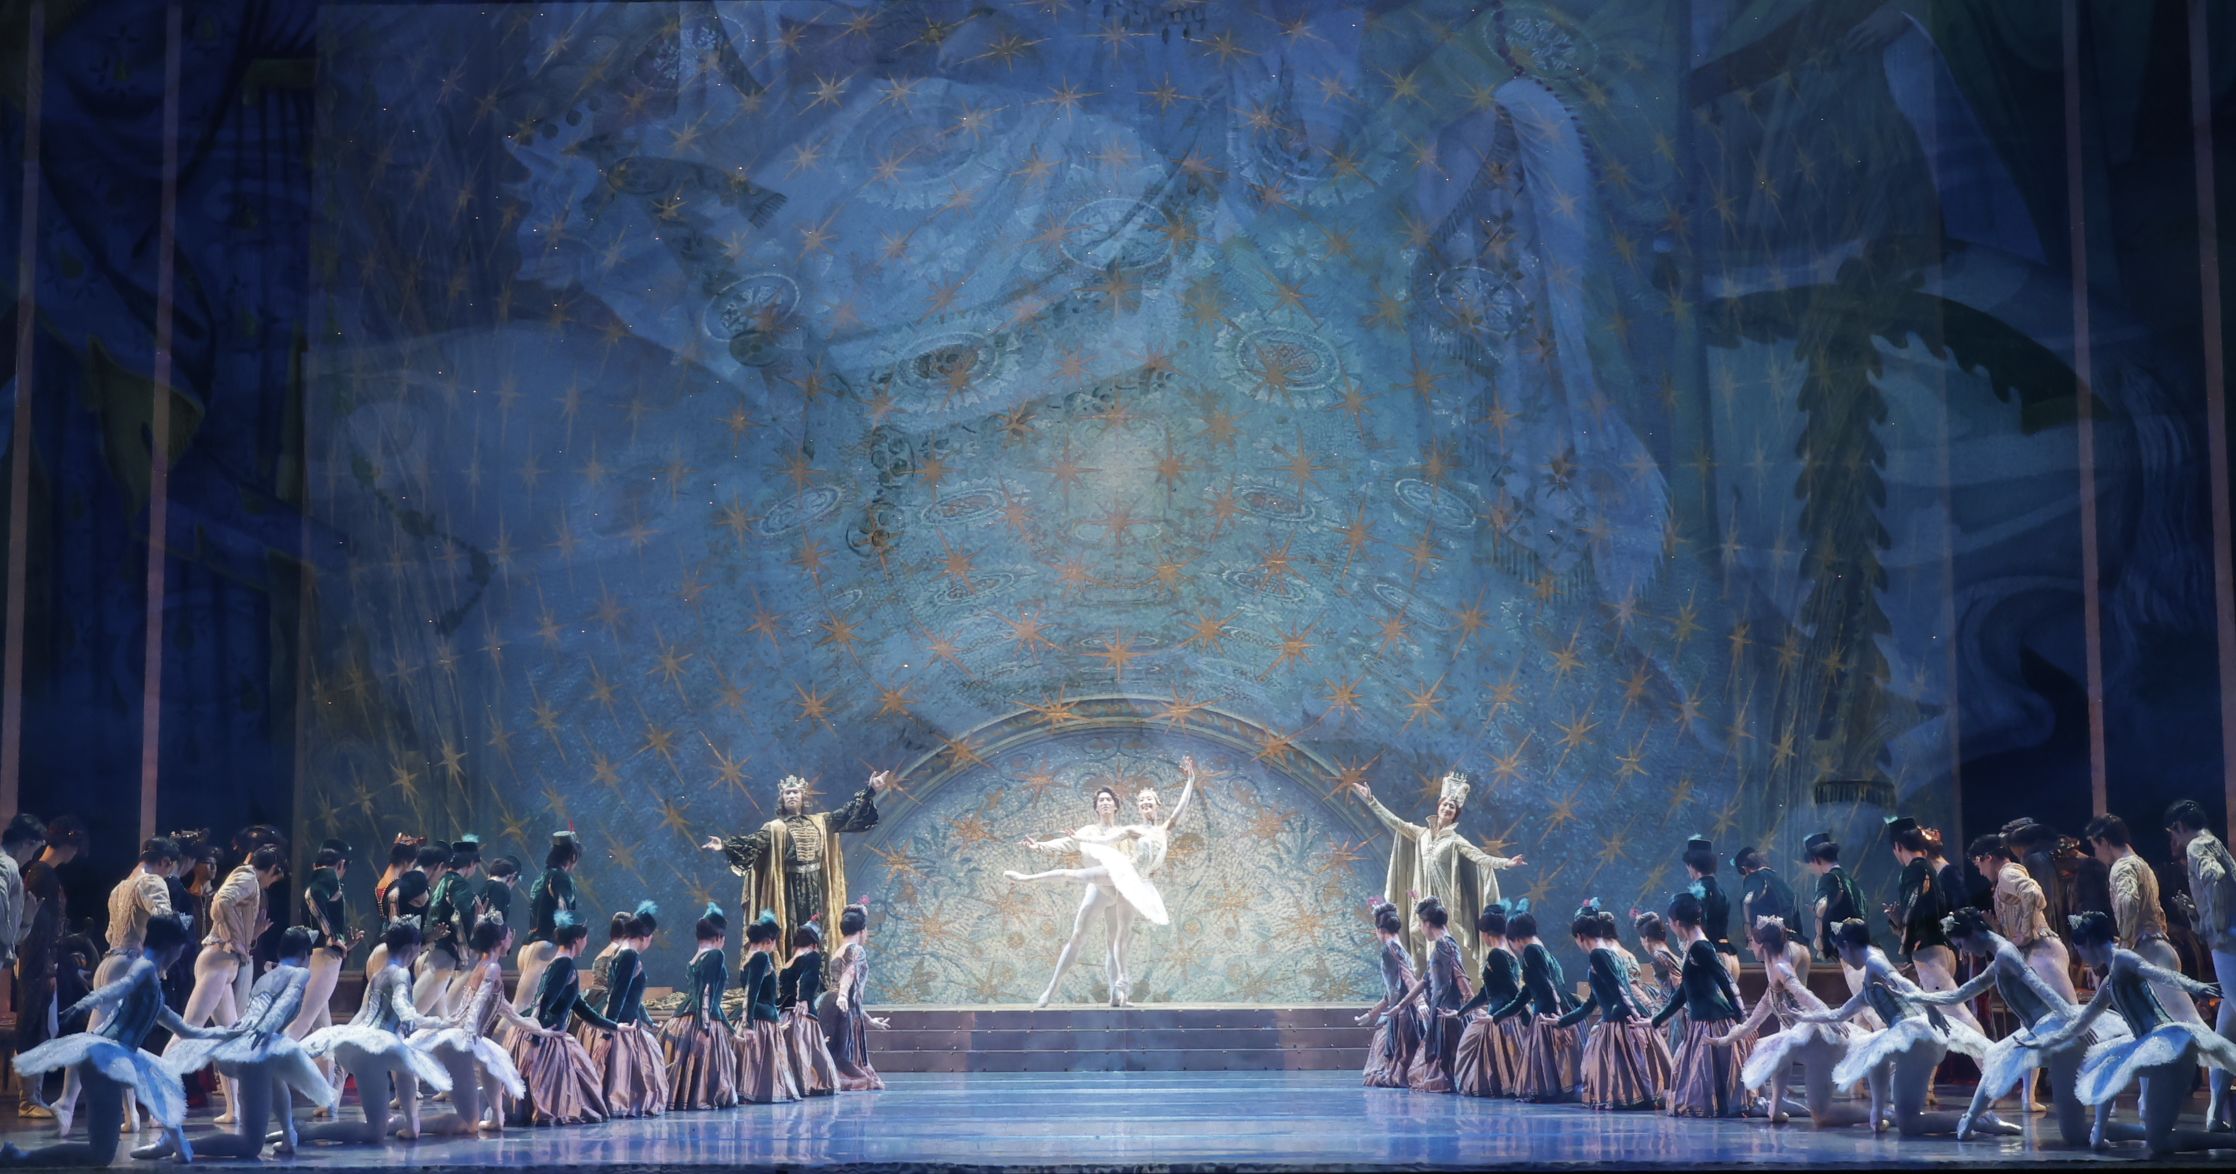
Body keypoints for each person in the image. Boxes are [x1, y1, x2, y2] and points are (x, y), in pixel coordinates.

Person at [3, 914, 220, 1167]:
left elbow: (186, 1029)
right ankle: (20, 1157)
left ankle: (177, 1144)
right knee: (101, 1154)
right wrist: (87, 1003)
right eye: (180, 950)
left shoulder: (151, 983)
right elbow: (123, 986)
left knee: (158, 1081)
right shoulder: (144, 968)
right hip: (104, 1059)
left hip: (112, 1054)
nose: (180, 956)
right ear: (172, 948)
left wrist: (227, 1034)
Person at [2032, 910, 2236, 1156]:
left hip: (2167, 1044)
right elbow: (2080, 1024)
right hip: (2149, 1044)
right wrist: (2043, 1041)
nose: (2081, 957)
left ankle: (2230, 1142)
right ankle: (2099, 1131)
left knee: (2158, 1142)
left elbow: (2159, 973)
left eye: (2080, 950)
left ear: (2089, 943)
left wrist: (2195, 986)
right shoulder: (2108, 984)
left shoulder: (2124, 958)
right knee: (2107, 1063)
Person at [1909, 907, 2110, 1145]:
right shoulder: (2001, 957)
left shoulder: (2006, 954)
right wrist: (1916, 997)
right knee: (1996, 1060)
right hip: (2037, 1030)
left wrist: (2074, 1022)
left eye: (1962, 945)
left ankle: (1970, 1121)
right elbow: (1960, 994)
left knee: (2074, 1130)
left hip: (2052, 1027)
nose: (1964, 952)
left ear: (1973, 934)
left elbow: (2041, 989)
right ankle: (1969, 1121)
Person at [140, 928, 337, 1160]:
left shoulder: (267, 976)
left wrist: (260, 1029)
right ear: (305, 955)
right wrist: (268, 1026)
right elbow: (286, 1001)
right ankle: (177, 1144)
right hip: (256, 1047)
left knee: (276, 1076)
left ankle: (289, 1133)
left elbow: (259, 1011)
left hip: (255, 1041)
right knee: (250, 1146)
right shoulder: (300, 974)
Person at [1800, 919, 1987, 1137]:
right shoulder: (1870, 973)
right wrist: (1804, 1016)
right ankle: (1878, 1113)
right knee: (1905, 1116)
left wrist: (1930, 1007)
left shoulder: (1875, 961)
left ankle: (1981, 1121)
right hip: (1906, 1038)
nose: (1844, 959)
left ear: (1847, 946)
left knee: (1909, 1122)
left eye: (1840, 953)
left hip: (1915, 1036)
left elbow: (1903, 983)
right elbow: (1840, 1014)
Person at [56, 836, 179, 1132]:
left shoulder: (120, 887)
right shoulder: (152, 882)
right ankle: (67, 1102)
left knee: (120, 1040)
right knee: (103, 1040)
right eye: (171, 867)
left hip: (111, 961)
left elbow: (111, 934)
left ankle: (130, 1114)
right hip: (129, 966)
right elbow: (165, 921)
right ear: (165, 862)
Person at [1351, 771, 1524, 975]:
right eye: (1445, 804)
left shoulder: (1455, 840)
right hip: (1424, 897)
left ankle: (1462, 981)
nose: (1448, 808)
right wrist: (1371, 800)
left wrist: (1506, 863)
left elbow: (1480, 857)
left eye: (1452, 807)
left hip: (1446, 900)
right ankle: (1431, 981)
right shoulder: (1421, 834)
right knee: (1421, 936)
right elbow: (1395, 821)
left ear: (1455, 814)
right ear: (1438, 807)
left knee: (1448, 940)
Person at [297, 922, 453, 1144]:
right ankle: (303, 1133)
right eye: (419, 948)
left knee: (406, 1062)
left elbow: (363, 1014)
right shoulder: (400, 973)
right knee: (375, 1131)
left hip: (367, 1042)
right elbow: (401, 1005)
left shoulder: (379, 976)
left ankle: (412, 1125)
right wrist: (431, 1021)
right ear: (412, 948)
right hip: (375, 1048)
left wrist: (344, 1036)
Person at [704, 771, 885, 959]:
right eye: (787, 793)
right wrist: (724, 845)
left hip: (817, 887)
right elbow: (753, 842)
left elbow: (847, 813)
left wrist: (870, 790)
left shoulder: (821, 822)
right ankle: (793, 969)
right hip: (790, 889)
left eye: (795, 792)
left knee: (820, 929)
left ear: (803, 796)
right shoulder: (774, 828)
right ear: (782, 798)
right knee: (793, 930)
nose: (791, 796)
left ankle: (819, 971)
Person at [1004, 786, 1157, 1007]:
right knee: (1078, 936)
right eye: (1101, 800)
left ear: (1116, 806)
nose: (1105, 802)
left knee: (1114, 942)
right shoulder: (1088, 831)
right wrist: (1039, 846)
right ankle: (1052, 988)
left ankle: (1116, 994)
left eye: (1108, 799)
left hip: (1119, 890)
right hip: (1098, 889)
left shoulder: (1125, 832)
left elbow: (1143, 854)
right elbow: (1065, 843)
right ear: (1096, 807)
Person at [1716, 917, 1870, 1128]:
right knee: (1778, 1048)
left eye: (1752, 941)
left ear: (1763, 944)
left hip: (1815, 1038)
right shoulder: (1773, 975)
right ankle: (1775, 1107)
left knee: (1821, 1116)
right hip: (1798, 1035)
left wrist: (1830, 1016)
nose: (1750, 946)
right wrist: (1723, 1040)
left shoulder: (1782, 967)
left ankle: (1880, 1114)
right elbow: (1752, 1022)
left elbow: (1804, 994)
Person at [409, 917, 553, 1137]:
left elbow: (508, 1012)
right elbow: (477, 1004)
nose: (512, 939)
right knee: (470, 1125)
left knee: (491, 1061)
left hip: (467, 1034)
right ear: (500, 941)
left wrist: (542, 1031)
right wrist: (468, 1034)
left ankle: (497, 1117)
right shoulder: (492, 967)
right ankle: (409, 1124)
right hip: (463, 1038)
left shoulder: (483, 966)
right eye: (509, 935)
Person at [177, 844, 284, 1125]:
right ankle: (156, 1098)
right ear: (272, 869)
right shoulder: (248, 876)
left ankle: (234, 1108)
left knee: (231, 1037)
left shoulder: (248, 880)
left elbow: (229, 910)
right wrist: (237, 938)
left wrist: (248, 935)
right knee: (188, 1029)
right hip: (217, 961)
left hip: (225, 964)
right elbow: (221, 901)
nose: (271, 884)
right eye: (275, 877)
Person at [2085, 814, 2203, 1027]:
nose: (2096, 853)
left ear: (2104, 841)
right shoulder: (2141, 863)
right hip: (2157, 948)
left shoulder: (2122, 867)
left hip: (2150, 953)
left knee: (2186, 1021)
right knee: (2175, 1022)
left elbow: (2128, 900)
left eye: (2095, 846)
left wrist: (2125, 942)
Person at [1554, 906, 1671, 1110]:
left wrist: (1636, 1020)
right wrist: (1561, 1021)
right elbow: (1592, 1002)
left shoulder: (1598, 955)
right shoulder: (1610, 954)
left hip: (1620, 1023)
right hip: (1620, 1019)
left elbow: (1621, 991)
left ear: (1580, 937)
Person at [1103, 757, 1199, 1005]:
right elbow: (1108, 841)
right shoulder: (1133, 829)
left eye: (1149, 800)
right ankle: (1120, 983)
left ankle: (1119, 988)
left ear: (1157, 805)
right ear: (1138, 808)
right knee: (1120, 934)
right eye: (1141, 801)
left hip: (1144, 883)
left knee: (1123, 934)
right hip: (1128, 880)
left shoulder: (1163, 829)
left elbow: (1180, 809)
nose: (1145, 803)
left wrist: (1190, 780)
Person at [2166, 798, 2236, 1129]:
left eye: (2173, 833)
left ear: (2179, 826)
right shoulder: (2214, 842)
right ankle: (2215, 1112)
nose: (2174, 841)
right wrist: (2199, 913)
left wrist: (2215, 925)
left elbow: (2215, 877)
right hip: (2228, 939)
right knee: (2225, 1032)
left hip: (2228, 943)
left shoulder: (2197, 846)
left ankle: (2216, 1111)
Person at [508, 912, 615, 1126]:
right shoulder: (564, 965)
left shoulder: (562, 964)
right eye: (585, 938)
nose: (586, 942)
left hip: (544, 1032)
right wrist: (534, 1042)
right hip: (544, 1035)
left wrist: (613, 1026)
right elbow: (543, 1002)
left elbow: (579, 1007)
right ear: (577, 940)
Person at [1652, 892, 1752, 1118]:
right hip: (1702, 1021)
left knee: (1705, 1076)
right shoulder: (1694, 946)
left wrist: (1740, 1015)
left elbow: (1724, 980)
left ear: (1677, 923)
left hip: (1712, 1022)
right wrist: (1658, 1019)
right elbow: (1684, 992)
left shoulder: (1700, 947)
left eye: (1670, 922)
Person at [1883, 817, 1978, 1034]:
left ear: (1898, 846)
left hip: (1929, 953)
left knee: (1959, 1017)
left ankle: (1990, 1054)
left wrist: (1905, 939)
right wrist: (1900, 921)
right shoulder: (1929, 869)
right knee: (1937, 1022)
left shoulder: (1913, 870)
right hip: (1941, 949)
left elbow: (1914, 908)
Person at [14, 815, 83, 1116]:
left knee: (46, 1025)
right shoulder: (42, 875)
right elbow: (40, 929)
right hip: (37, 960)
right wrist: (49, 968)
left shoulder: (43, 874)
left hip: (40, 959)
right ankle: (28, 1099)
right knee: (36, 1023)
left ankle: (33, 1097)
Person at [1971, 833, 2078, 1004]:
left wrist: (2026, 932)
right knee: (2051, 1013)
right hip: (2036, 951)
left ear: (1988, 858)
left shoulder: (2007, 874)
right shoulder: (2006, 876)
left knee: (2065, 1009)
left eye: (1979, 866)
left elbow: (2032, 893)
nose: (1981, 873)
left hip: (2043, 950)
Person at [590, 903, 669, 1118]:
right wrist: (609, 1032)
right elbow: (618, 995)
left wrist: (648, 1020)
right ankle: (621, 1104)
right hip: (623, 1025)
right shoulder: (629, 955)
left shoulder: (622, 952)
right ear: (645, 937)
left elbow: (631, 994)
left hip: (624, 1020)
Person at [1491, 911, 1578, 1102]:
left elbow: (1546, 988)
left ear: (1516, 939)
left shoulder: (1531, 952)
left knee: (1543, 1073)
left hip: (1548, 1015)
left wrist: (1558, 1022)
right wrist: (1501, 1015)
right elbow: (1528, 991)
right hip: (1557, 1010)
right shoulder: (1543, 951)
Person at [662, 904, 740, 1109]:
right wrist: (704, 1029)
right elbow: (707, 993)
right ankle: (700, 1097)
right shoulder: (716, 955)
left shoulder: (695, 958)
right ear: (719, 937)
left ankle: (684, 1097)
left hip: (685, 1016)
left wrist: (730, 1030)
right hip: (702, 1018)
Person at [287, 841, 358, 1047]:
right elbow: (314, 896)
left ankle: (326, 1069)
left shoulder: (317, 877)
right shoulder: (328, 876)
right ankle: (271, 1061)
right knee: (303, 1022)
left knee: (322, 1030)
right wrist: (332, 935)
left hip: (318, 956)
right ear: (341, 864)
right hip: (324, 958)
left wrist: (341, 941)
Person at [1395, 896, 1468, 1092]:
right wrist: (1402, 1005)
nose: (1420, 929)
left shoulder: (1445, 945)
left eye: (1420, 924)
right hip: (1441, 1010)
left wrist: (1470, 1005)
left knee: (1444, 1064)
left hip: (1446, 1013)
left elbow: (1460, 976)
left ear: (1427, 924)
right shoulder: (1444, 945)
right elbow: (1424, 981)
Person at [1452, 903, 1523, 1098]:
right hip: (1505, 1015)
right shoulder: (1510, 953)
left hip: (1499, 1018)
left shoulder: (1496, 954)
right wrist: (1461, 1012)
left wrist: (1524, 1015)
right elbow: (1487, 992)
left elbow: (1511, 990)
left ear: (1485, 933)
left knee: (1471, 1047)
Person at [734, 911, 801, 1104]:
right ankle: (759, 1093)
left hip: (759, 1016)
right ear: (768, 941)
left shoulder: (748, 958)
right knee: (761, 1061)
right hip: (760, 1019)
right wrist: (748, 1025)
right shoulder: (761, 958)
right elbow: (751, 991)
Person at [1355, 898, 1421, 1088]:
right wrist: (1371, 1014)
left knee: (1388, 1058)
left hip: (1400, 1013)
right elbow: (1391, 990)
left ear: (1379, 930)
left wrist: (1421, 1002)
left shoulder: (1389, 949)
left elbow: (1407, 978)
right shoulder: (1400, 948)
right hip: (1402, 1010)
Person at [514, 831, 582, 1015]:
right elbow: (565, 911)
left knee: (528, 1010)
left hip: (529, 947)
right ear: (572, 856)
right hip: (545, 948)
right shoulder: (561, 878)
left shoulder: (541, 877)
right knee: (522, 1009)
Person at [823, 899, 886, 1092]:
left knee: (837, 1051)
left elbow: (851, 989)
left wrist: (868, 1019)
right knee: (844, 1055)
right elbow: (849, 973)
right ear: (862, 930)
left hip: (833, 1005)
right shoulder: (857, 950)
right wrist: (843, 995)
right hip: (844, 1007)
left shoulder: (837, 951)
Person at [414, 835, 480, 1015]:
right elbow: (463, 914)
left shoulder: (442, 882)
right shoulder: (459, 884)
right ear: (471, 864)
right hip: (442, 957)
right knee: (411, 1016)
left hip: (429, 953)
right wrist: (466, 946)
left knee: (438, 1021)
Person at [778, 921, 839, 1097]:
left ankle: (792, 1085)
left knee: (790, 1050)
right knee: (807, 1049)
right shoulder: (812, 956)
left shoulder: (788, 963)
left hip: (785, 1013)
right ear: (814, 944)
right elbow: (809, 977)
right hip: (801, 1011)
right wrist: (804, 999)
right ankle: (810, 1083)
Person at [1804, 832, 1866, 998]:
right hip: (1863, 943)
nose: (1811, 868)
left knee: (1862, 996)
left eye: (1811, 863)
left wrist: (1820, 938)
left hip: (1847, 946)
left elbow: (1821, 906)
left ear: (1817, 860)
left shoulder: (1828, 879)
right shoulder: (1849, 880)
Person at [0, 814, 46, 1023]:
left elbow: (15, 936)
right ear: (27, 842)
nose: (31, 857)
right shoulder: (6, 865)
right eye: (34, 849)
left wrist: (27, 918)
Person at [1681, 836, 1740, 980]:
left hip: (1710, 956)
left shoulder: (1698, 892)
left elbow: (1697, 927)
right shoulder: (1720, 891)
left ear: (1692, 865)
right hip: (1729, 956)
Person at [1734, 846, 1800, 963]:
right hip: (1793, 942)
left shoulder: (1755, 877)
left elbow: (1747, 901)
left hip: (1770, 943)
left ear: (1745, 869)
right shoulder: (1781, 882)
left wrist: (1750, 937)